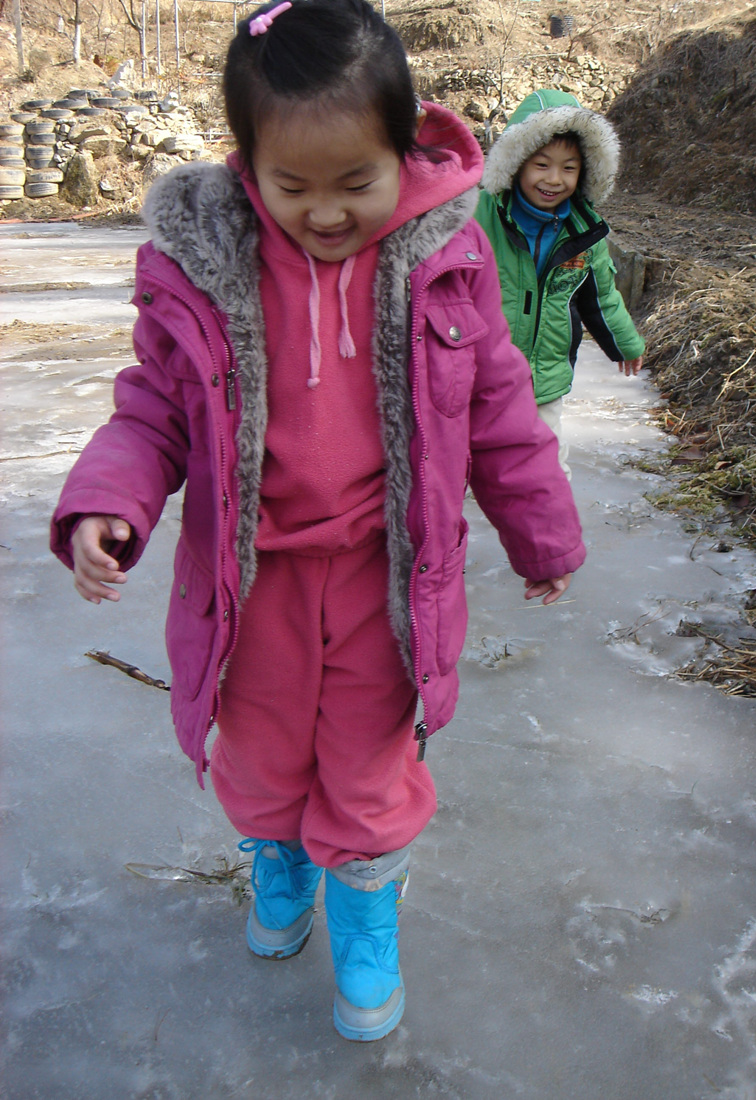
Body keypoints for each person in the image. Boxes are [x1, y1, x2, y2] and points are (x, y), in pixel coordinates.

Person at [50, 0, 586, 1043]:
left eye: (357, 181)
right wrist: (108, 502)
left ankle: (367, 903)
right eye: (293, 186)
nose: (328, 212)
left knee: (370, 757)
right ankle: (281, 856)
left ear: (405, 148)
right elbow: (153, 405)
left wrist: (543, 532)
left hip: (388, 576)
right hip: (249, 582)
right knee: (255, 750)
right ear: (246, 165)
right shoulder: (206, 270)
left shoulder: (444, 258)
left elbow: (501, 411)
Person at [475, 89, 645, 478]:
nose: (554, 179)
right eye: (541, 165)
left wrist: (625, 343)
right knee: (458, 469)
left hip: (543, 379)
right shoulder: (479, 215)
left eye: (569, 168)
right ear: (516, 163)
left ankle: (549, 534)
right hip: (476, 377)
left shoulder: (583, 231)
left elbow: (600, 295)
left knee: (547, 472)